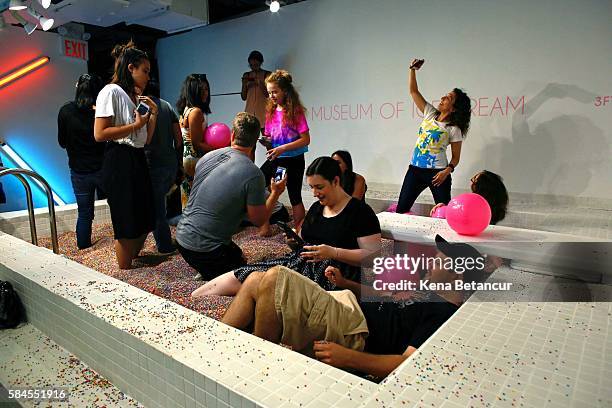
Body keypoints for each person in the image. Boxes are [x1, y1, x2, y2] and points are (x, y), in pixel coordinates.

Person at [221, 235, 484, 378]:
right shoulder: (427, 291)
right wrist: (347, 282)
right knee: (256, 279)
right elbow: (386, 296)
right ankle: (217, 351)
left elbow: (407, 363)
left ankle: (252, 373)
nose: (432, 262)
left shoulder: (443, 314)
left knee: (276, 278)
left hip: (354, 331)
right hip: (347, 305)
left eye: (439, 260)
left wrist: (349, 358)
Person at [191, 156, 381, 297]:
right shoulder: (317, 208)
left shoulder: (360, 212)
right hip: (299, 261)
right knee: (250, 272)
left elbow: (373, 257)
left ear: (336, 181)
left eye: (319, 187)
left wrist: (333, 252)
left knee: (266, 283)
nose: (314, 193)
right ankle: (197, 297)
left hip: (333, 274)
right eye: (311, 187)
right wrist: (295, 242)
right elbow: (305, 238)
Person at [175, 112, 287, 281]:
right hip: (204, 250)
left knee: (238, 256)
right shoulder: (253, 173)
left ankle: (208, 270)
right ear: (255, 141)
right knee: (245, 274)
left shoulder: (207, 157)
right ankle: (211, 274)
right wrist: (276, 192)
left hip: (181, 239)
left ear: (233, 134)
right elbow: (259, 220)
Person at [94, 42, 157, 269]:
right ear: (131, 68)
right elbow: (100, 133)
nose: (148, 76)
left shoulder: (133, 96)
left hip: (136, 156)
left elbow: (146, 139)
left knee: (145, 212)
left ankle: (131, 260)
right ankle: (125, 269)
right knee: (125, 215)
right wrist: (135, 125)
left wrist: (152, 117)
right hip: (119, 158)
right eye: (145, 71)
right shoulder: (111, 91)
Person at [396, 59, 472, 214]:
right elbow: (414, 92)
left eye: (448, 98)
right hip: (415, 170)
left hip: (438, 173)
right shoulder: (430, 113)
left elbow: (456, 158)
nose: (443, 98)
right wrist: (412, 70)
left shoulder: (454, 128)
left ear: (454, 108)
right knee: (401, 209)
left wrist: (447, 171)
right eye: (445, 96)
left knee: (445, 213)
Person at [57, 73, 106, 249]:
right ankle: (122, 244)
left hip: (78, 171)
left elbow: (62, 142)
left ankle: (83, 247)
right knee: (117, 206)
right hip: (102, 168)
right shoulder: (100, 113)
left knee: (84, 213)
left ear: (77, 87)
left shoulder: (65, 111)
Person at [259, 69, 310, 228]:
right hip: (277, 160)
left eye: (275, 92)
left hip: (293, 161)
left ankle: (299, 230)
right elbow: (270, 136)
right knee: (260, 182)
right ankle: (265, 225)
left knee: (294, 196)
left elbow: (305, 140)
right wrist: (267, 141)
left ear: (285, 91)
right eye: (269, 92)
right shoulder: (271, 112)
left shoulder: (295, 111)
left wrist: (282, 148)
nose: (271, 96)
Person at [143, 79, 183, 253]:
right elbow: (179, 139)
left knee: (157, 208)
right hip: (170, 162)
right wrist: (178, 162)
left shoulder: (143, 107)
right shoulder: (167, 106)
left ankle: (165, 245)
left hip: (152, 163)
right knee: (161, 205)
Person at [176, 74, 212, 207]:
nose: (205, 93)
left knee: (189, 197)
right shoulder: (196, 112)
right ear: (192, 91)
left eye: (206, 89)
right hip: (195, 159)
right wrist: (221, 148)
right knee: (199, 199)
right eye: (201, 90)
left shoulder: (186, 110)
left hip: (188, 159)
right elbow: (197, 144)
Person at [430, 170, 509, 224]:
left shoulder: (474, 206)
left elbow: (460, 216)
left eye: (474, 181)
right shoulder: (494, 208)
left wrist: (443, 210)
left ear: (481, 187)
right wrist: (444, 208)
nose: (471, 183)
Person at [241, 50, 270, 135]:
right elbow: (243, 97)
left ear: (261, 62)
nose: (253, 67)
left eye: (256, 65)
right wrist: (244, 85)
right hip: (250, 112)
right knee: (249, 142)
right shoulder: (247, 75)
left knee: (267, 139)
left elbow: (268, 95)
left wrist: (260, 84)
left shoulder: (267, 74)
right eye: (251, 65)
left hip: (264, 112)